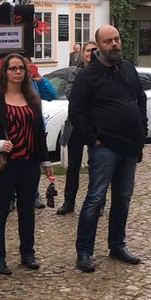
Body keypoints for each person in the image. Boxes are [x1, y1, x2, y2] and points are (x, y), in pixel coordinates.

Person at [68, 25, 147, 273]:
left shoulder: (128, 69)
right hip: (104, 149)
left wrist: (142, 131)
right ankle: (84, 251)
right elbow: (76, 113)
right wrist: (93, 139)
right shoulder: (87, 76)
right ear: (99, 45)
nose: (114, 44)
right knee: (95, 198)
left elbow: (140, 98)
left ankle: (117, 245)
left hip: (129, 146)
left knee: (123, 198)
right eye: (108, 41)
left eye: (117, 39)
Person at [0, 53, 47, 275]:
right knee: (1, 209)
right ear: (4, 71)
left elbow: (39, 132)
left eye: (21, 68)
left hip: (29, 162)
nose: (18, 72)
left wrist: (45, 160)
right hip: (5, 163)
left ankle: (27, 253)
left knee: (27, 210)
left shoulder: (32, 99)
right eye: (13, 68)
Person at [57, 40, 97, 215]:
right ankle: (69, 202)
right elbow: (70, 94)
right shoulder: (77, 71)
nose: (90, 53)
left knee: (95, 165)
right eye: (88, 50)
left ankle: (97, 202)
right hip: (76, 125)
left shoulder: (103, 72)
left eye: (94, 50)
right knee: (73, 166)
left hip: (96, 126)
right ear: (83, 53)